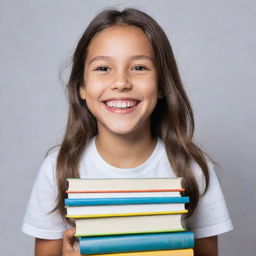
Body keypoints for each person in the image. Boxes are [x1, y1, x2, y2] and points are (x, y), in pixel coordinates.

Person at [22, 8, 233, 256]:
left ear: (163, 85)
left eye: (139, 68)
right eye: (103, 68)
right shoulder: (57, 169)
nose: (121, 82)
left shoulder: (193, 168)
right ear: (81, 87)